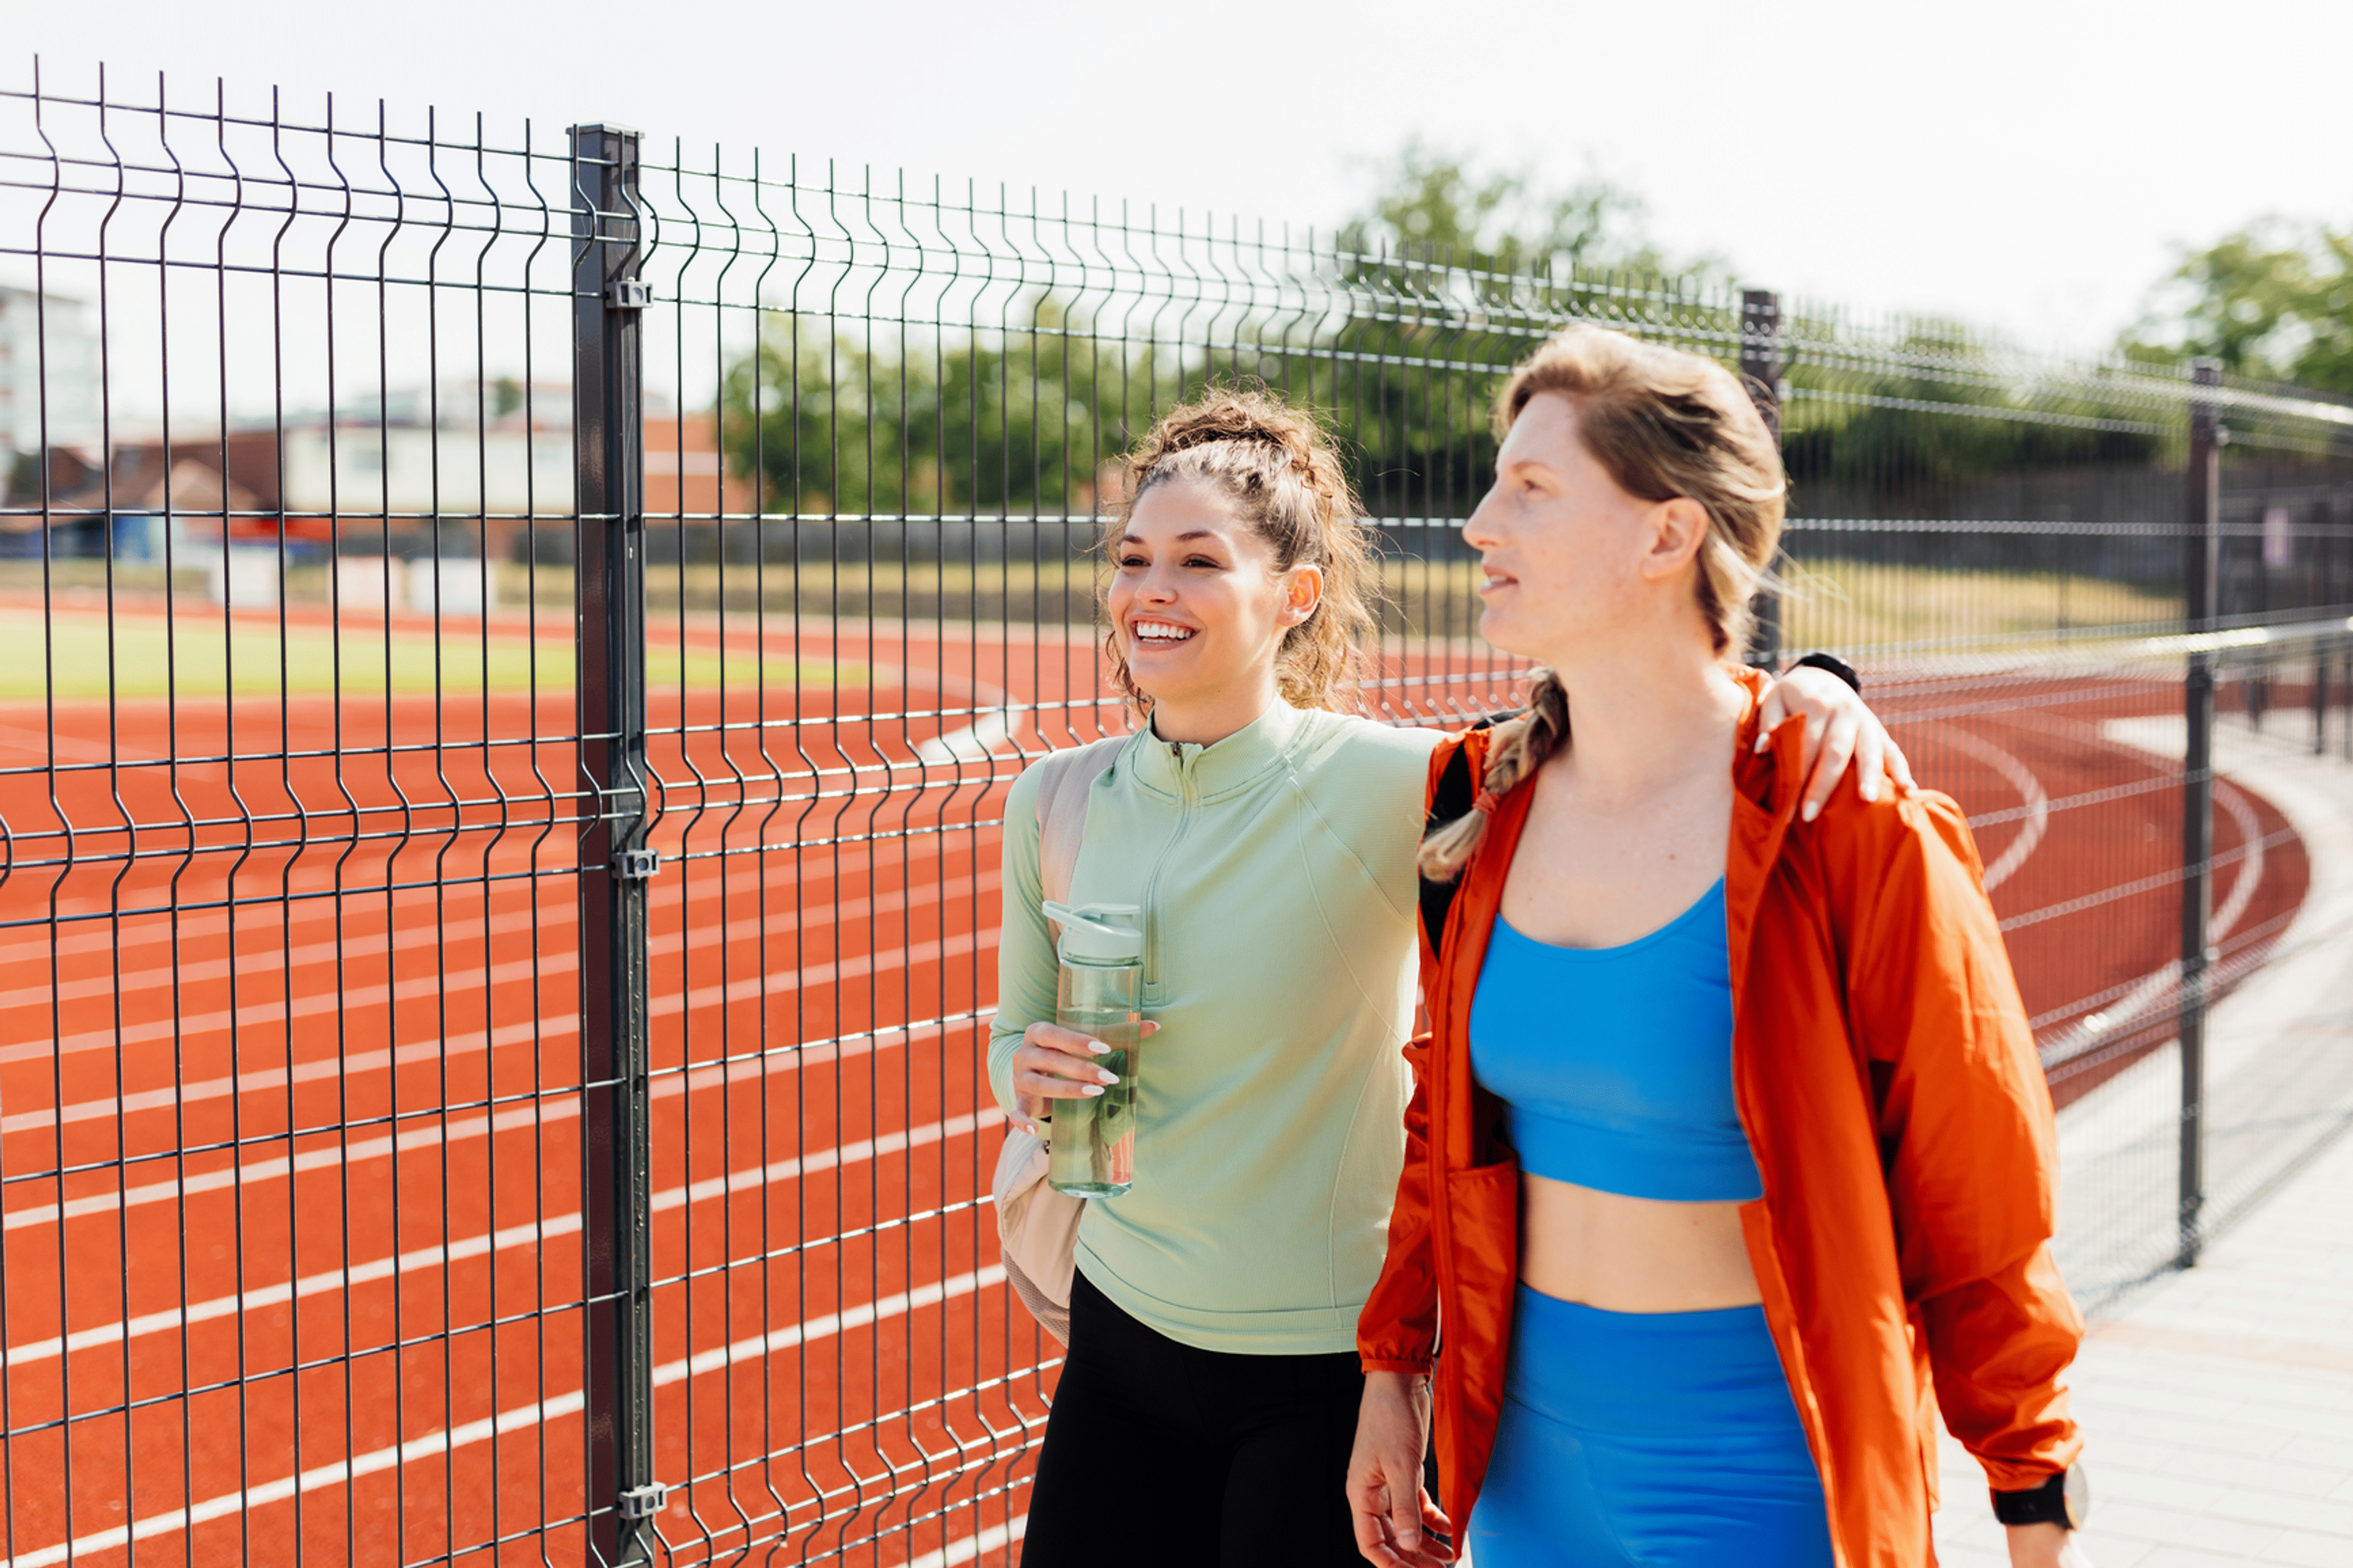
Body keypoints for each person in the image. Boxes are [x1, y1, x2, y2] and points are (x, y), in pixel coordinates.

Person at [988, 387, 1906, 1568]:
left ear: (1296, 596)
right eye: (1134, 558)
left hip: (1317, 1378)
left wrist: (1815, 681)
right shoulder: (1053, 802)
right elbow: (1014, 1032)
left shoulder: (1398, 784)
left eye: (1200, 561)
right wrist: (1028, 1062)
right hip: (1116, 1339)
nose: (1151, 590)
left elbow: (1626, 740)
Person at [1347, 325, 2090, 1568]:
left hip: (1765, 1475)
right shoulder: (1479, 796)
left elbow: (1983, 1195)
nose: (1479, 523)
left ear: (1666, 535)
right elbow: (1444, 1128)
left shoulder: (1840, 817)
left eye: (1531, 489)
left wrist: (2036, 1503)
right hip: (1526, 1474)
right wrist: (1393, 1369)